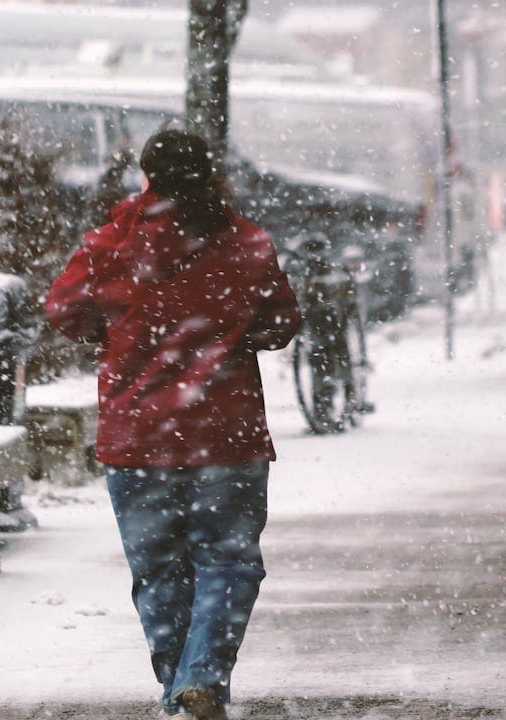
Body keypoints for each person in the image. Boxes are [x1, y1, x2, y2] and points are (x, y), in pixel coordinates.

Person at [44, 129, 302, 720]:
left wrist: (116, 337)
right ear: (209, 175)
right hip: (226, 434)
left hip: (138, 438)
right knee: (229, 562)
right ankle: (202, 680)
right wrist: (231, 338)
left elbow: (64, 309)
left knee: (158, 571)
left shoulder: (110, 244)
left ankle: (181, 691)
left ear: (147, 178)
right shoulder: (245, 243)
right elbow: (281, 321)